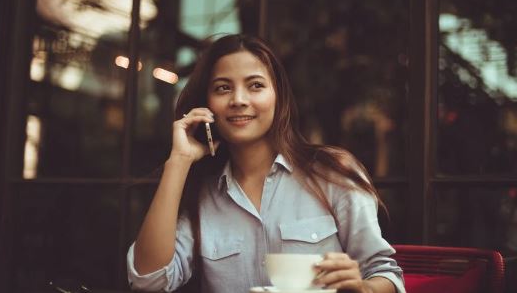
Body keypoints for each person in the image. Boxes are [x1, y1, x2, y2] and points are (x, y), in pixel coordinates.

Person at [127, 34, 405, 293]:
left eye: (255, 85)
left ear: (277, 97)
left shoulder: (332, 172)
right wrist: (178, 161)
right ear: (207, 104)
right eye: (223, 88)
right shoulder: (202, 194)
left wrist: (363, 288)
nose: (238, 100)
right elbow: (148, 279)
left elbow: (386, 273)